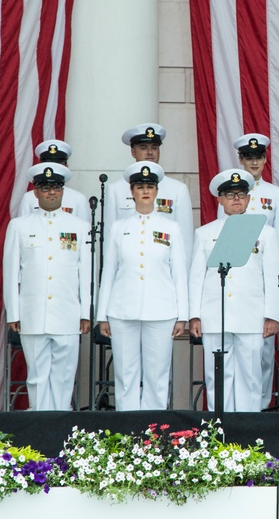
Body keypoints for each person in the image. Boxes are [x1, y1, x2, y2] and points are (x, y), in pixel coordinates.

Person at [188, 168, 279, 412]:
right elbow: (196, 277)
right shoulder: (205, 233)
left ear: (249, 198)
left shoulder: (267, 234)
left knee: (251, 378)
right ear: (219, 199)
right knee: (217, 377)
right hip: (214, 314)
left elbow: (273, 277)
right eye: (230, 195)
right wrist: (194, 315)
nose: (236, 199)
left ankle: (248, 432)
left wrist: (271, 315)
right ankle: (220, 432)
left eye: (241, 194)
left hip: (251, 315)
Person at [96, 162, 188, 410]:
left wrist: (183, 315)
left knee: (157, 376)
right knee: (126, 375)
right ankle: (126, 430)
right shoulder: (119, 228)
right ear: (131, 191)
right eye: (140, 187)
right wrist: (102, 314)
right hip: (122, 309)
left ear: (157, 191)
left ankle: (154, 433)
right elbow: (109, 273)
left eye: (150, 186)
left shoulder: (171, 228)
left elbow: (179, 273)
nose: (145, 191)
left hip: (162, 310)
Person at [3, 163, 91, 410]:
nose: (51, 193)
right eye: (45, 188)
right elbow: (11, 272)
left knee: (64, 377)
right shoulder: (19, 226)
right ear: (36, 192)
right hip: (33, 313)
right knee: (37, 376)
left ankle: (61, 425)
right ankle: (39, 426)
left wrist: (86, 313)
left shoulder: (79, 227)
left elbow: (85, 273)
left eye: (56, 188)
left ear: (62, 191)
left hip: (67, 313)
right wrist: (14, 312)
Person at [222, 132, 279, 408]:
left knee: (261, 352)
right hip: (238, 281)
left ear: (264, 159)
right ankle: (235, 408)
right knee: (233, 354)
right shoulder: (229, 192)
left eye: (258, 157)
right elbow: (222, 235)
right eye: (248, 157)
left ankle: (260, 407)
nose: (253, 161)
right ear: (240, 159)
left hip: (263, 279)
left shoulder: (275, 194)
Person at [103, 124, 194, 262]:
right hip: (127, 271)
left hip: (164, 271)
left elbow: (186, 241)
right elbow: (108, 239)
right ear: (133, 153)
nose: (150, 152)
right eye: (143, 148)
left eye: (154, 147)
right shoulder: (115, 189)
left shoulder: (178, 189)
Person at [17, 140, 91, 221]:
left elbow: (84, 229)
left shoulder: (78, 199)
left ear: (66, 165)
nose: (53, 167)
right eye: (47, 163)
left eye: (59, 163)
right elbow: (23, 227)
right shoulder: (29, 198)